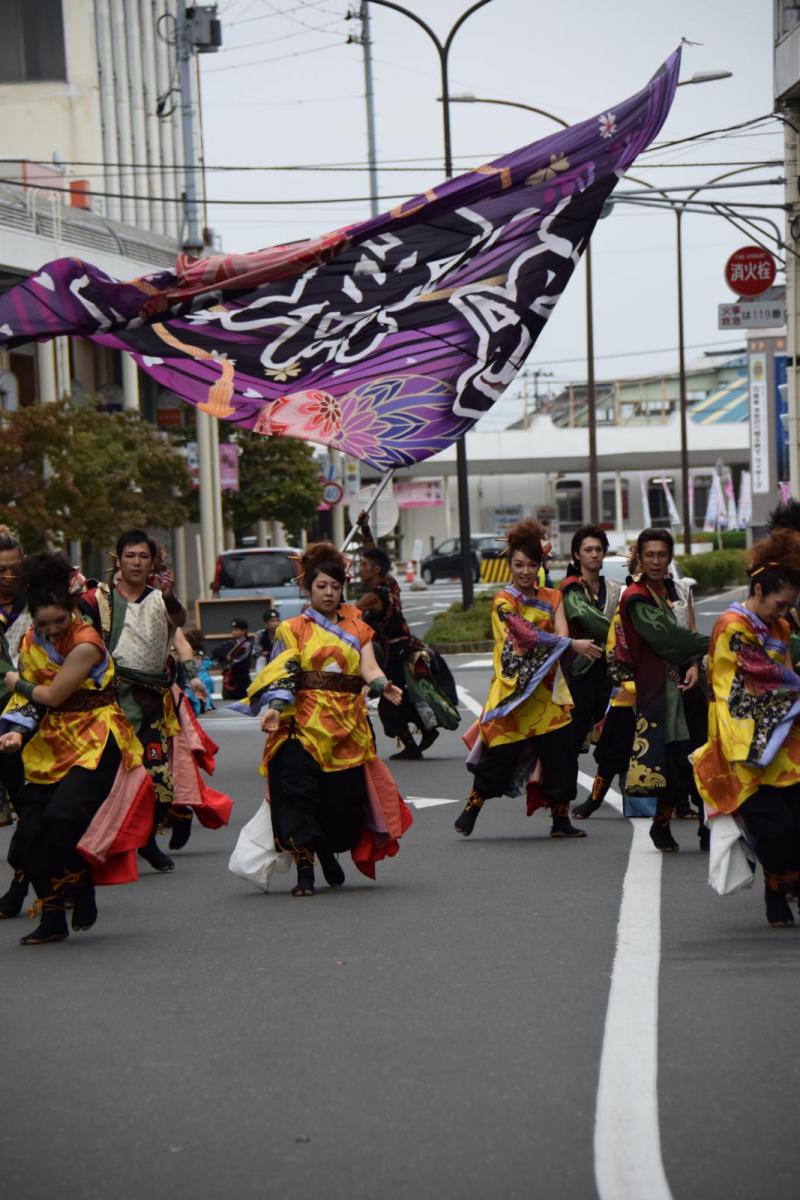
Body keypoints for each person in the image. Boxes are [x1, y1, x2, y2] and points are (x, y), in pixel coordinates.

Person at [240, 541, 413, 896]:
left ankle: (323, 849)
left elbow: (369, 667)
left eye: (336, 586)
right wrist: (274, 705)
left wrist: (383, 684)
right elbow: (283, 672)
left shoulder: (357, 627)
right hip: (300, 725)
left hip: (347, 728)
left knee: (343, 809)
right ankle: (305, 869)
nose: (330, 593)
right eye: (322, 586)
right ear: (308, 587)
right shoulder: (292, 629)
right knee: (298, 795)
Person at [0, 554, 149, 945]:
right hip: (50, 742)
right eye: (41, 624)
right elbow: (35, 702)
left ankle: (79, 882)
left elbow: (49, 693)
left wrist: (13, 680)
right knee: (30, 834)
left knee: (62, 820)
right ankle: (51, 915)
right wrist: (15, 729)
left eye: (58, 622)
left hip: (96, 740)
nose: (50, 632)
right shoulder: (32, 640)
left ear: (72, 611)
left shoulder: (86, 643)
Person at [454, 518, 602, 839]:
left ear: (540, 565)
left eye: (531, 564)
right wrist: (568, 643)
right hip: (514, 692)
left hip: (548, 693)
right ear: (509, 565)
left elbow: (560, 633)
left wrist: (563, 641)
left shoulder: (553, 597)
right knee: (501, 755)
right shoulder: (504, 601)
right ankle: (474, 804)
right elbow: (524, 635)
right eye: (518, 564)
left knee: (561, 753)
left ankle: (560, 820)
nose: (524, 571)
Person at [692, 529, 800, 926]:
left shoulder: (782, 629)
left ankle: (780, 888)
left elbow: (786, 674)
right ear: (758, 588)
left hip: (784, 739)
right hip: (742, 744)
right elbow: (762, 675)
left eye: (789, 606)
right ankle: (780, 885)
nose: (782, 613)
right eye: (778, 604)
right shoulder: (731, 625)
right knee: (776, 827)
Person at [80, 529, 187, 872]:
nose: (137, 562)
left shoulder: (161, 598)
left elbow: (179, 620)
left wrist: (170, 596)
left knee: (159, 784)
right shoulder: (98, 599)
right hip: (109, 701)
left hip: (151, 700)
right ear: (118, 560)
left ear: (153, 562)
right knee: (108, 778)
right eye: (130, 556)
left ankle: (147, 841)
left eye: (143, 556)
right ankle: (102, 844)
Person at [617, 528, 708, 852]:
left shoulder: (680, 590)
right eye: (650, 555)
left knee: (704, 758)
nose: (656, 561)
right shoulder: (635, 596)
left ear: (670, 557)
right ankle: (662, 824)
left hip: (694, 684)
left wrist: (697, 663)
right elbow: (667, 638)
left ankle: (708, 829)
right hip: (660, 691)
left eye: (662, 554)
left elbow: (689, 631)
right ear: (639, 557)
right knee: (674, 766)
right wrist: (720, 640)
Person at [356, 517, 459, 759]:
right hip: (406, 649)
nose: (360, 568)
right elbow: (376, 556)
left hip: (397, 654)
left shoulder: (374, 596)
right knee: (404, 699)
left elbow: (351, 615)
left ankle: (412, 746)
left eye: (363, 565)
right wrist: (365, 529)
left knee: (389, 704)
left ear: (376, 570)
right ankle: (426, 729)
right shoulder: (391, 584)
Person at [560, 525, 621, 757]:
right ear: (577, 554)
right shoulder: (571, 589)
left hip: (612, 671)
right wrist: (624, 635)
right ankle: (562, 794)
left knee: (617, 739)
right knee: (571, 741)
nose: (594, 554)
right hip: (580, 672)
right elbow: (583, 616)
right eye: (588, 550)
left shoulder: (614, 589)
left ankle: (597, 793)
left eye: (598, 549)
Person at [218, 619, 253, 701]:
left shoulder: (247, 644)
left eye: (236, 630)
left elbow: (243, 658)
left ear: (244, 631)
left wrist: (230, 661)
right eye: (233, 629)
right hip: (229, 675)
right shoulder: (227, 643)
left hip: (241, 675)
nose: (233, 632)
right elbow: (219, 653)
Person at [253, 608, 281, 674]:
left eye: (277, 620)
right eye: (272, 621)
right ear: (266, 624)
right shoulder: (260, 634)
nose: (276, 623)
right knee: (261, 658)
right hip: (265, 663)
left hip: (280, 662)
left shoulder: (283, 633)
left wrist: (268, 652)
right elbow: (256, 652)